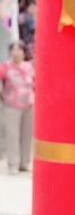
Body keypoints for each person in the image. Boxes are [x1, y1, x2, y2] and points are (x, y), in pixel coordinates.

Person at [0, 41, 34, 174]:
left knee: (27, 135)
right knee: (12, 135)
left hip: (29, 105)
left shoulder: (29, 66)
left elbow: (36, 82)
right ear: (10, 52)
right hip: (11, 105)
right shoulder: (5, 67)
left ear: (24, 52)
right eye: (13, 50)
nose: (16, 52)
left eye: (19, 50)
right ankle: (13, 163)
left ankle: (24, 163)